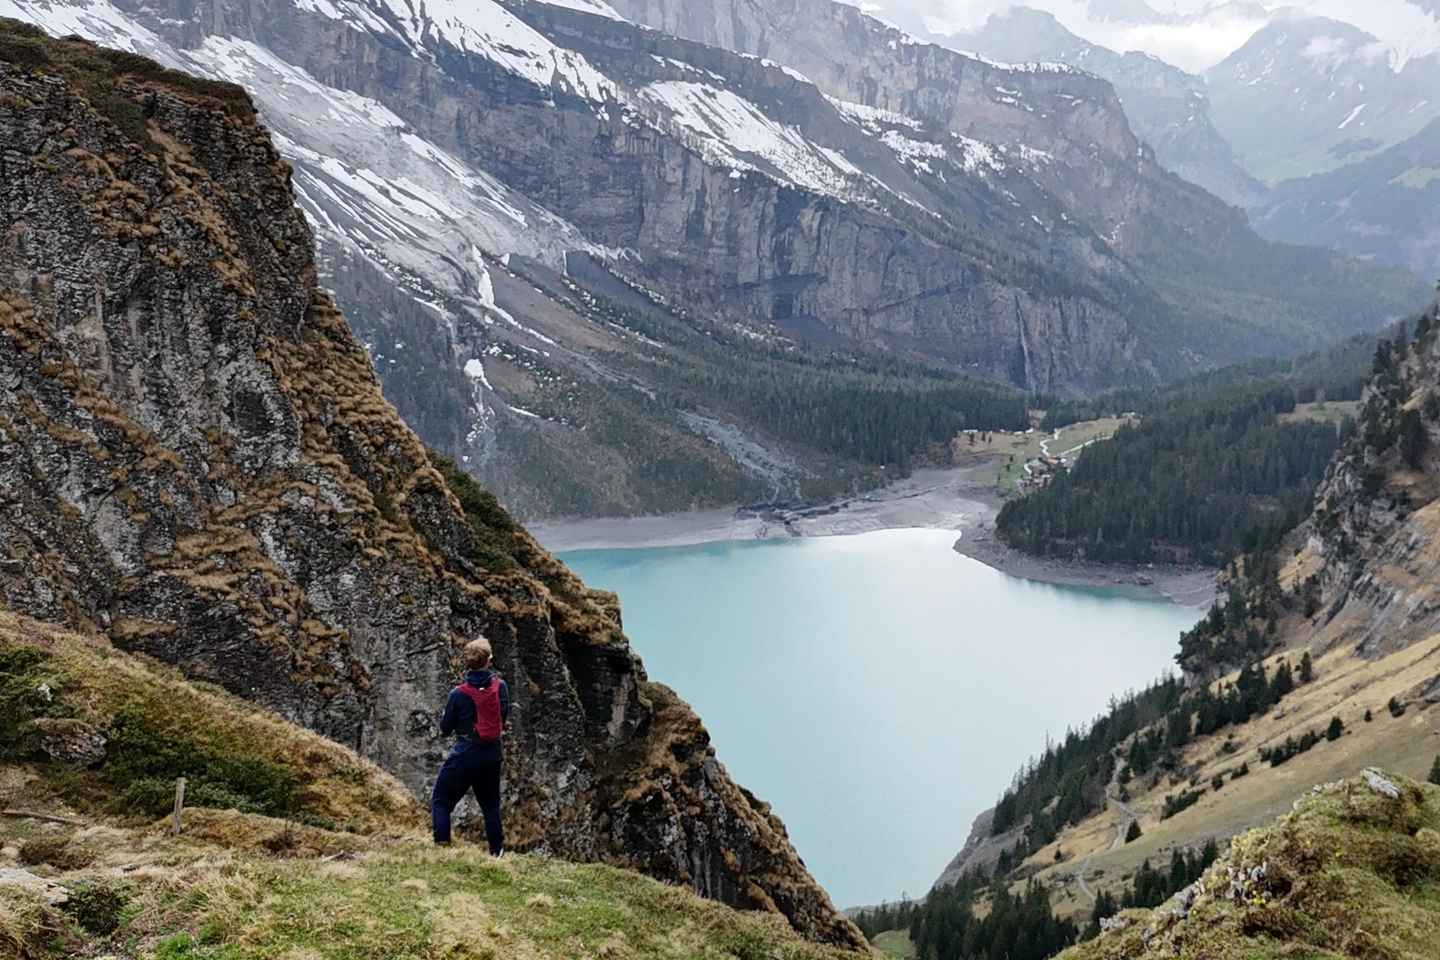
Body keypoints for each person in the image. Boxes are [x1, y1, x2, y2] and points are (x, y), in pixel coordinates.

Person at [431, 636, 510, 853]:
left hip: (465, 753)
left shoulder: (457, 694)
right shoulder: (501, 687)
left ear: (467, 662)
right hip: (492, 753)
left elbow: (445, 728)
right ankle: (497, 852)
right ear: (489, 661)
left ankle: (442, 848)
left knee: (441, 801)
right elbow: (503, 717)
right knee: (491, 806)